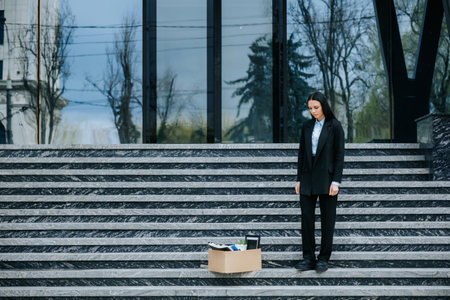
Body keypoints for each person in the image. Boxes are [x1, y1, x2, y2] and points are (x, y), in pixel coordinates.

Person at [294, 91, 345, 272]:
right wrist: (299, 179)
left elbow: (339, 156)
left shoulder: (335, 126)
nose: (313, 111)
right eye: (310, 108)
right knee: (306, 220)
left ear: (324, 106)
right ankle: (308, 257)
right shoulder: (307, 126)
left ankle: (323, 258)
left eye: (316, 107)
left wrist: (336, 181)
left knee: (327, 220)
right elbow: (301, 154)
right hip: (307, 178)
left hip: (327, 179)